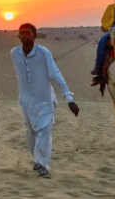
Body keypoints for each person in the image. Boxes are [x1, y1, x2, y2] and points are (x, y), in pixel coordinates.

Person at [11, 23, 79, 179]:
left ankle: (43, 165)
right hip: (26, 102)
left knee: (44, 131)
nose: (25, 35)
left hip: (45, 101)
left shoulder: (44, 53)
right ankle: (37, 161)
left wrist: (69, 98)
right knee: (31, 133)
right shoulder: (14, 53)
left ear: (34, 36)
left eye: (28, 33)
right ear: (19, 36)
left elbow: (56, 75)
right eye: (22, 33)